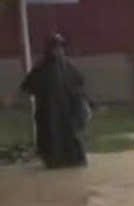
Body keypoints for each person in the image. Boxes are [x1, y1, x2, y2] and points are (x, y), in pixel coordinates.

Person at [20, 34, 91, 169]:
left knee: (71, 136)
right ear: (49, 49)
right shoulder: (41, 68)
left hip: (67, 111)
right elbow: (27, 86)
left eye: (60, 48)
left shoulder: (68, 66)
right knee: (50, 137)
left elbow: (79, 86)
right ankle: (54, 161)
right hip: (48, 112)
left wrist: (84, 104)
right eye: (55, 48)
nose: (58, 51)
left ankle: (73, 160)